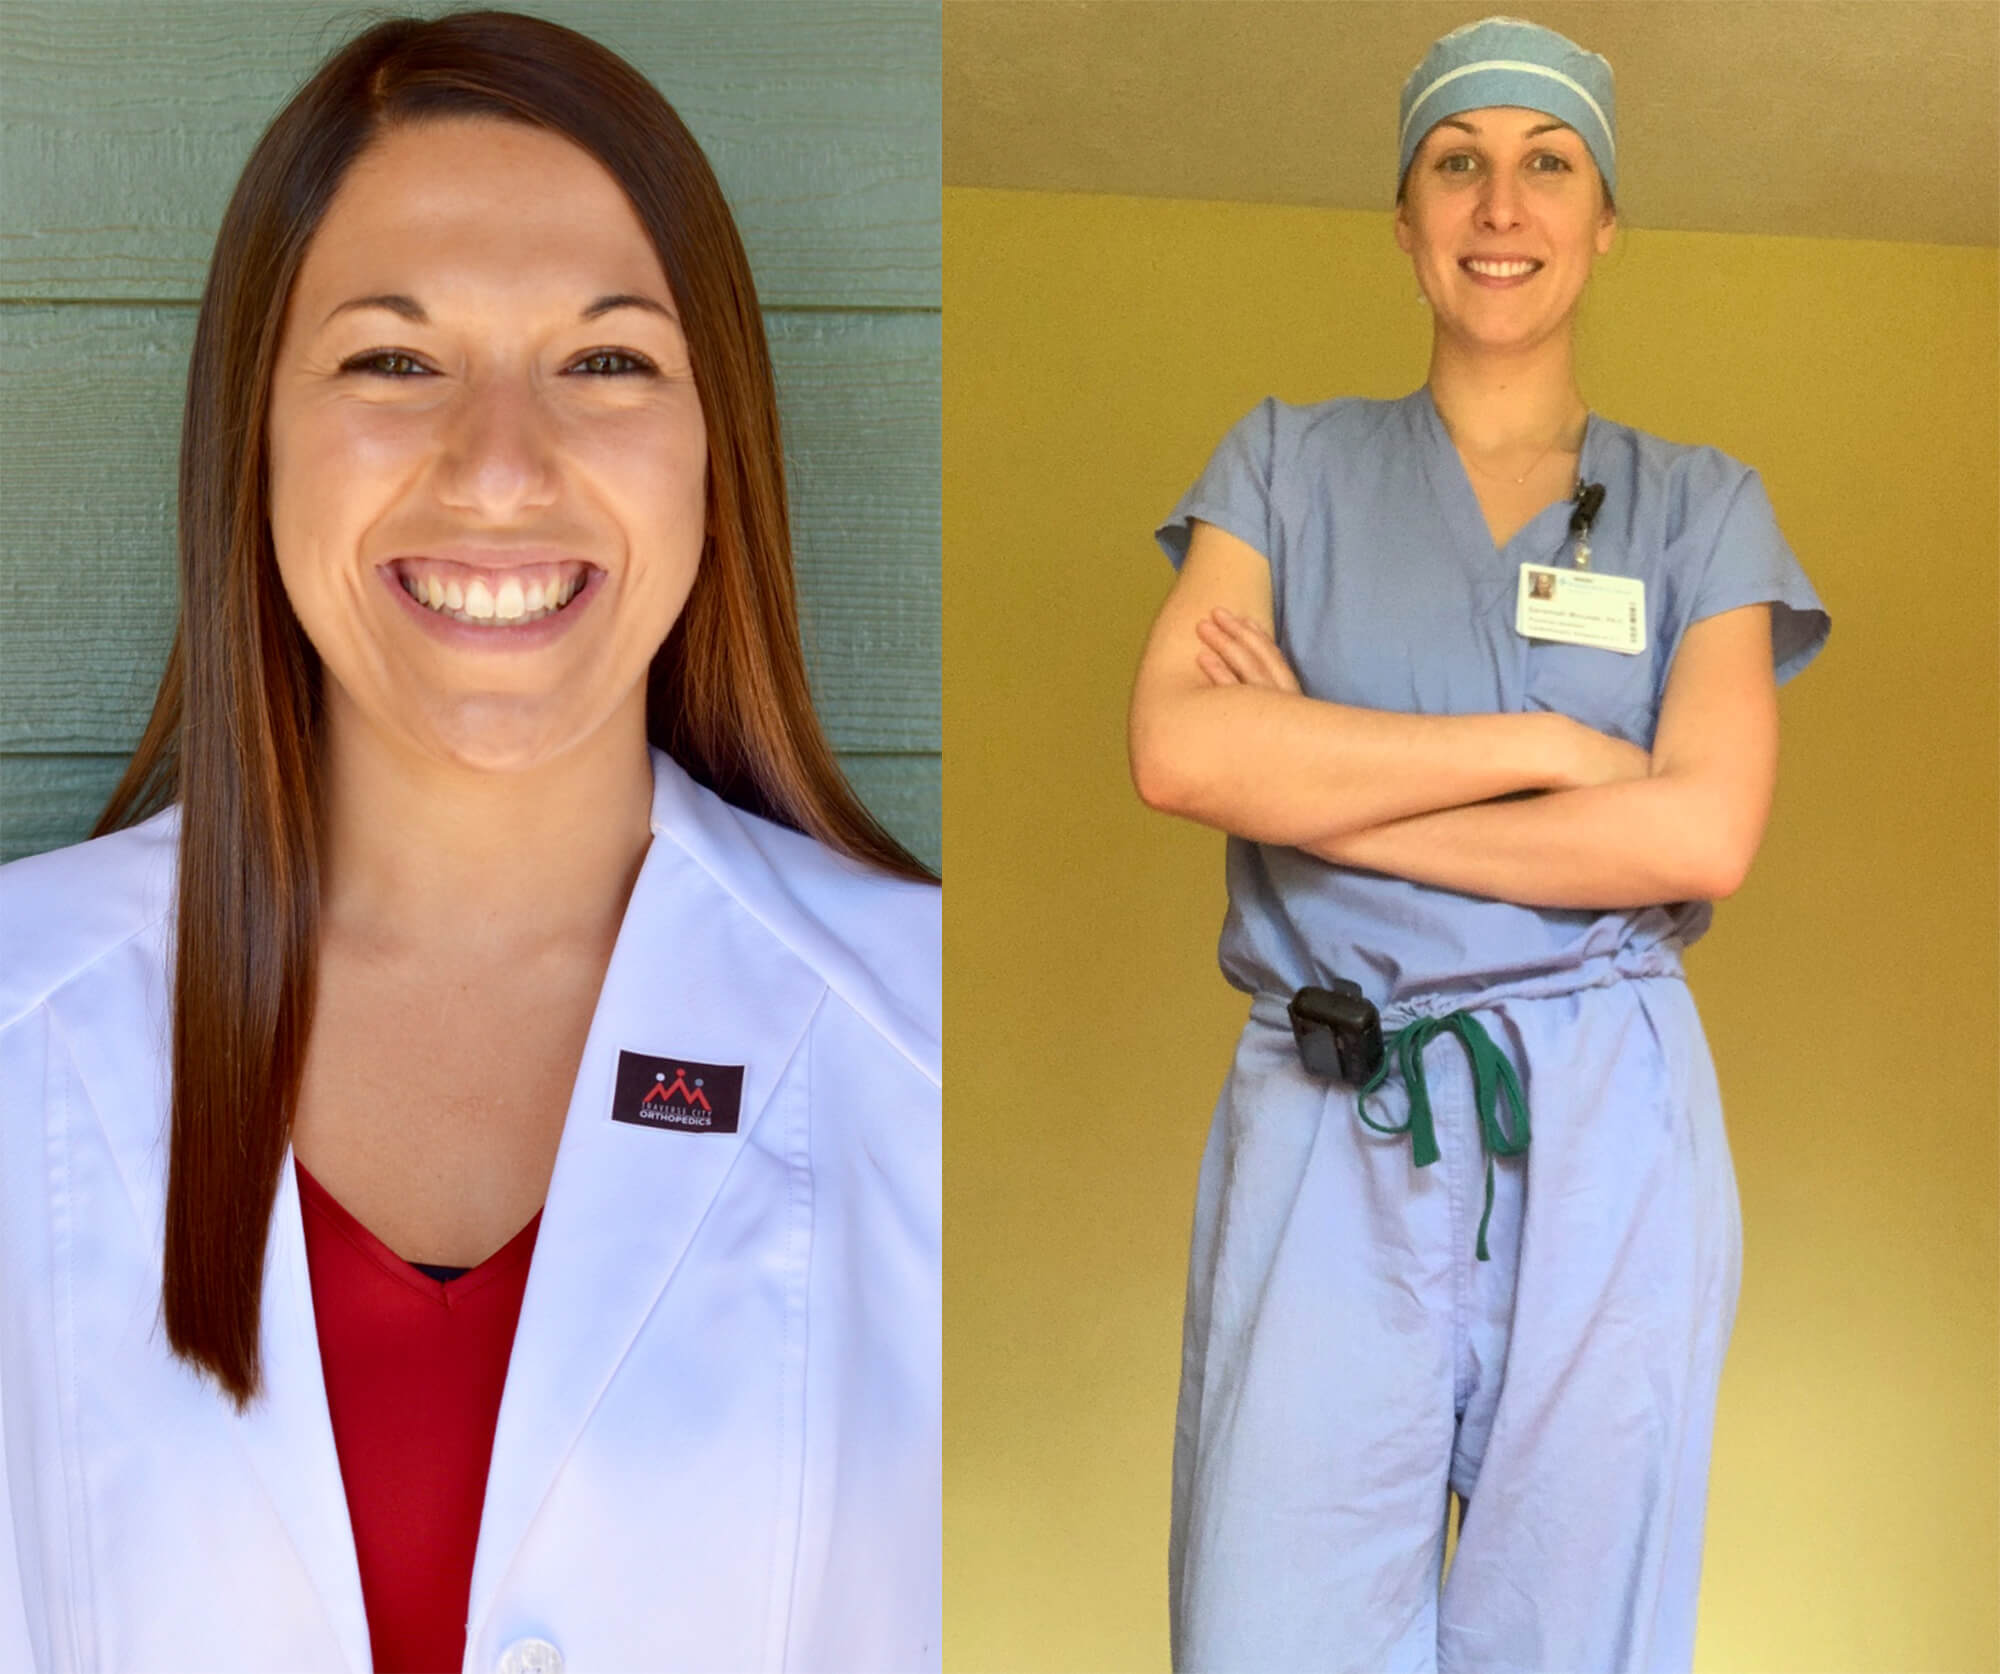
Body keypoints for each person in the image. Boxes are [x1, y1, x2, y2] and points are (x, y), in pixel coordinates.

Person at [0, 12, 939, 1672]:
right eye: (393, 360)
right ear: (255, 437)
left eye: (604, 362)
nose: (499, 466)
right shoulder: (20, 1018)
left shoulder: (931, 1038)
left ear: (719, 453)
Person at [1128, 17, 1828, 1673]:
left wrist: (1329, 782)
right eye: (1458, 161)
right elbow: (1180, 751)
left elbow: (1705, 828)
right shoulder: (1280, 465)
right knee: (1267, 1626)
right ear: (1403, 218)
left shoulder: (1701, 510)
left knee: (1575, 1629)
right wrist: (1543, 760)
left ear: (1601, 224)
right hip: (1329, 1104)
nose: (1498, 202)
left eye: (1546, 163)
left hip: (1606, 1117)